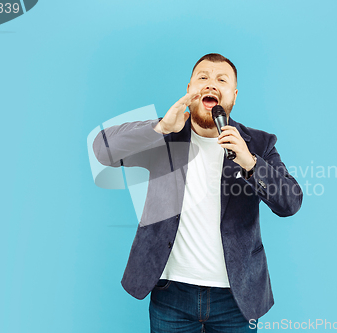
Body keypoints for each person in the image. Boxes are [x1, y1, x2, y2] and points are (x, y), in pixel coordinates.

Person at [93, 53, 303, 332]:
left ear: (234, 95)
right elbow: (102, 149)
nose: (211, 84)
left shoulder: (258, 144)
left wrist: (251, 163)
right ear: (190, 89)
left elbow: (290, 202)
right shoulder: (164, 135)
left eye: (221, 79)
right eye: (202, 78)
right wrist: (160, 128)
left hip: (236, 298)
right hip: (171, 294)